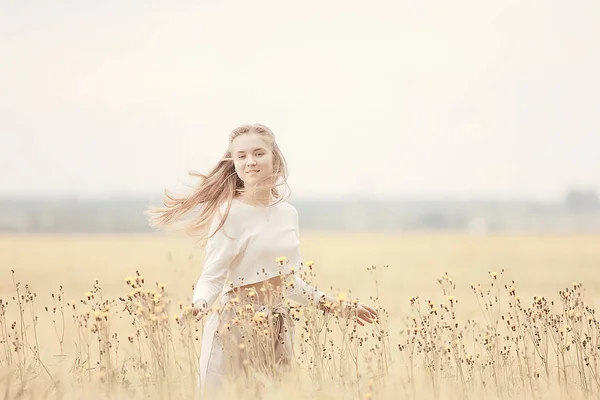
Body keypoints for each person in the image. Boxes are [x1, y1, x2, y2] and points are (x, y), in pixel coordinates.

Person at [147, 123, 377, 398]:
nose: (250, 162)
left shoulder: (288, 214)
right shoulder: (229, 213)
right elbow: (212, 276)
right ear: (233, 163)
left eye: (258, 153)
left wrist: (337, 306)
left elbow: (288, 283)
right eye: (241, 156)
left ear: (274, 158)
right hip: (234, 324)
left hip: (278, 324)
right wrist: (200, 304)